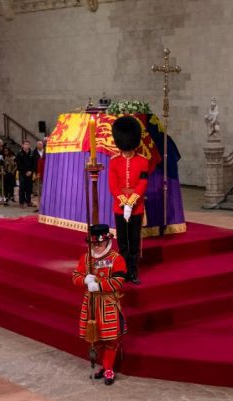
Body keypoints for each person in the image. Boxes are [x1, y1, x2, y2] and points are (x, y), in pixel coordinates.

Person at [71, 224, 128, 386]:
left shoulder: (117, 259)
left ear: (107, 242)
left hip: (108, 302)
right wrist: (84, 280)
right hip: (90, 304)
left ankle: (108, 368)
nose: (96, 247)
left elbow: (119, 280)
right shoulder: (86, 258)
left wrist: (99, 285)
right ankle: (105, 366)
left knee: (112, 338)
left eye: (99, 244)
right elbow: (75, 276)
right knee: (95, 338)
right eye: (94, 244)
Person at [108, 116, 149, 285]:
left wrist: (131, 201)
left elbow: (143, 182)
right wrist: (123, 200)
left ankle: (132, 272)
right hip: (119, 207)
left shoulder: (143, 161)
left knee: (133, 241)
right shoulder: (114, 162)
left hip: (136, 207)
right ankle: (122, 270)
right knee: (122, 241)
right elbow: (113, 184)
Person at [16, 139, 39, 207]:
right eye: (25, 144)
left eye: (28, 144)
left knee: (29, 188)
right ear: (22, 145)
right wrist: (25, 172)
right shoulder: (19, 153)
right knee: (22, 188)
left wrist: (31, 171)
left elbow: (34, 163)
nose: (27, 145)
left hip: (30, 173)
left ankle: (29, 201)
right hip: (22, 173)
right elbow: (19, 164)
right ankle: (21, 202)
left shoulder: (32, 153)